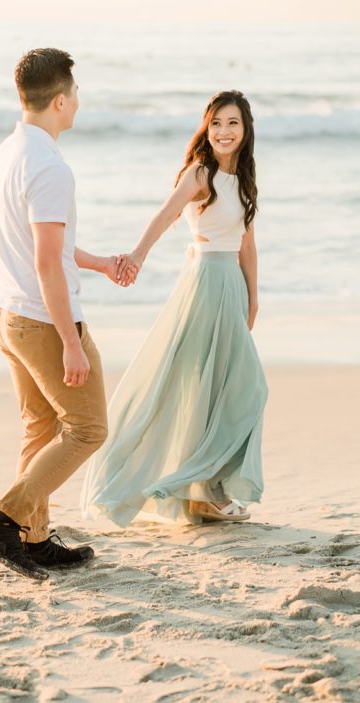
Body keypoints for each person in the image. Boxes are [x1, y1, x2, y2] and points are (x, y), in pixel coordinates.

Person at [0, 48, 132, 581]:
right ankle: (5, 520)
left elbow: (47, 245)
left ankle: (33, 541)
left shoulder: (7, 153)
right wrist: (70, 340)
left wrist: (100, 262)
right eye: (76, 96)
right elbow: (45, 262)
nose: (78, 104)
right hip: (41, 319)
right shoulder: (50, 166)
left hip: (7, 313)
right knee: (87, 428)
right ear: (60, 100)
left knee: (41, 428)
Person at [81, 91, 267, 527]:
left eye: (233, 123)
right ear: (207, 127)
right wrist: (137, 256)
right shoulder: (199, 173)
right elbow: (165, 216)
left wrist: (253, 295)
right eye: (217, 123)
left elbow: (248, 244)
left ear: (245, 130)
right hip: (203, 285)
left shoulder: (244, 178)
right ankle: (199, 490)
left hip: (232, 288)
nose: (224, 131)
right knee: (199, 387)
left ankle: (206, 491)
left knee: (232, 389)